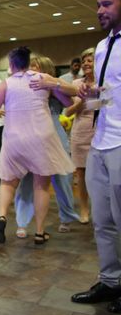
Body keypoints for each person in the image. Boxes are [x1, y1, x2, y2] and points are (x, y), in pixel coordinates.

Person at [0, 47, 75, 245]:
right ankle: (40, 232)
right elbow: (69, 100)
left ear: (12, 64)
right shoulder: (42, 78)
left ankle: (3, 216)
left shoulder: (7, 83)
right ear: (27, 61)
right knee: (42, 186)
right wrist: (55, 85)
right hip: (41, 136)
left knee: (8, 182)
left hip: (15, 138)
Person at [71, 0, 121, 313]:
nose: (99, 10)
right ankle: (110, 280)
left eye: (107, 4)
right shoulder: (102, 47)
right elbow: (104, 100)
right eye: (98, 4)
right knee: (102, 221)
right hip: (99, 143)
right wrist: (90, 98)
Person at [13, 55, 80, 238]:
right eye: (30, 66)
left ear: (45, 69)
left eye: (35, 66)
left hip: (55, 135)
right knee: (26, 180)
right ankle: (22, 222)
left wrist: (51, 86)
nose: (31, 70)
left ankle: (66, 216)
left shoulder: (53, 83)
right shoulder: (24, 85)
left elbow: (70, 102)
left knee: (62, 180)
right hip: (30, 136)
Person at [65, 48, 96, 223]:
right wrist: (82, 101)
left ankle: (102, 209)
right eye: (84, 61)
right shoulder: (76, 84)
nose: (85, 64)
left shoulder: (105, 82)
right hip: (80, 131)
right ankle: (84, 210)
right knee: (81, 174)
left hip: (100, 131)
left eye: (89, 60)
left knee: (102, 174)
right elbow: (68, 112)